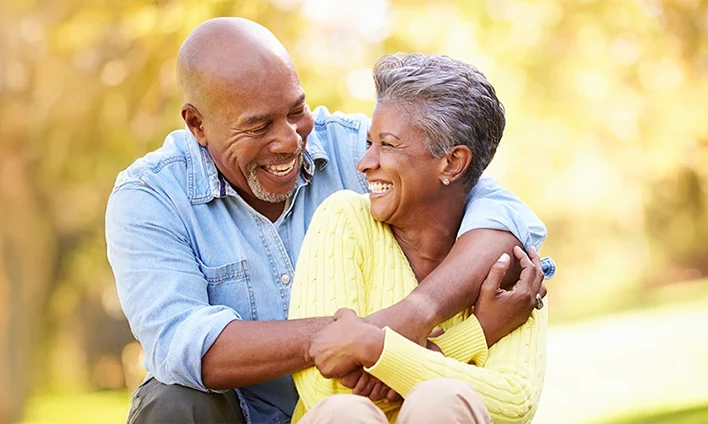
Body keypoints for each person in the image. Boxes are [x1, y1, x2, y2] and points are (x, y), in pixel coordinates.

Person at [105, 18, 549, 424]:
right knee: (173, 402)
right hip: (239, 411)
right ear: (197, 124)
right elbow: (186, 345)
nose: (288, 141)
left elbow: (494, 206)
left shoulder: (353, 146)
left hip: (358, 409)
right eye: (258, 127)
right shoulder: (149, 197)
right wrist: (365, 339)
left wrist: (416, 314)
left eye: (296, 111)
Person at [290, 53, 547, 424]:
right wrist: (476, 334)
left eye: (388, 145)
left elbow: (514, 402)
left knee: (442, 401)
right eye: (368, 143)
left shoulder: (511, 264)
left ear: (452, 163)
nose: (363, 163)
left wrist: (376, 349)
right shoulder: (344, 218)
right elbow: (324, 389)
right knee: (344, 412)